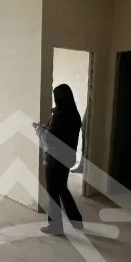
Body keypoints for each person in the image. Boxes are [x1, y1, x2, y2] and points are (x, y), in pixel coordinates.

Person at [32, 84, 84, 235]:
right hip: (67, 158)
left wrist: (39, 130)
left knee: (52, 194)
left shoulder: (60, 116)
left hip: (54, 160)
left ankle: (55, 227)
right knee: (62, 188)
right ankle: (77, 221)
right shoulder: (74, 114)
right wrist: (47, 127)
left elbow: (48, 138)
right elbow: (59, 134)